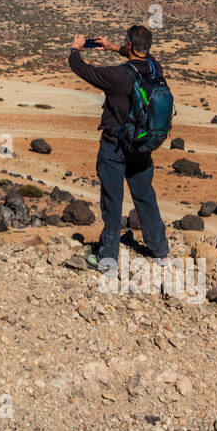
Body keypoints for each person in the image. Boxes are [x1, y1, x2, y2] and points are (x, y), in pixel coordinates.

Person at [68, 25, 170, 270]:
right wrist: (113, 47)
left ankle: (108, 258)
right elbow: (138, 58)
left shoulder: (119, 76)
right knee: (145, 196)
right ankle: (160, 251)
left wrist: (75, 50)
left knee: (112, 200)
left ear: (129, 45)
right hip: (143, 145)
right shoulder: (156, 68)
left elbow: (83, 70)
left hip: (115, 145)